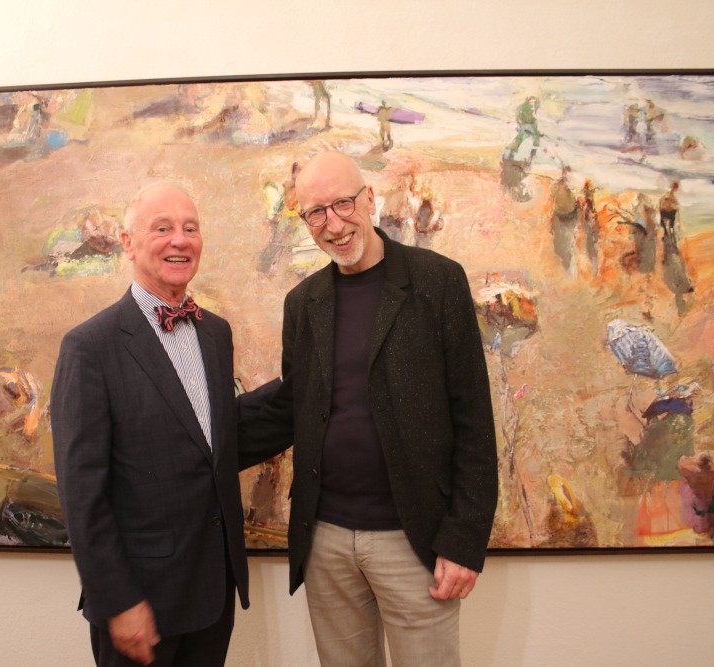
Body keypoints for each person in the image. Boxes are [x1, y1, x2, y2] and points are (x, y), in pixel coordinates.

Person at [240, 151, 499, 666]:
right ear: (304, 220)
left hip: (415, 540)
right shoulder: (302, 303)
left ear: (370, 199)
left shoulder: (438, 282)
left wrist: (464, 540)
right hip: (326, 543)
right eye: (316, 212)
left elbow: (474, 419)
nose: (334, 224)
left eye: (343, 203)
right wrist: (194, 437)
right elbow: (295, 406)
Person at [51, 183, 249, 667]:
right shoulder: (89, 347)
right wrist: (118, 601)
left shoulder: (216, 333)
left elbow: (214, 442)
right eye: (162, 228)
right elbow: (81, 492)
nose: (179, 240)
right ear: (128, 242)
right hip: (139, 603)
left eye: (190, 228)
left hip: (212, 596)